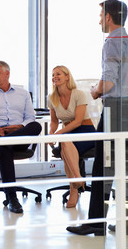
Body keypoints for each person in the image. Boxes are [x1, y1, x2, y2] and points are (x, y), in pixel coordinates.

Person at [67, 0, 128, 236]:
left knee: (104, 164)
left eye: (101, 15)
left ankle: (96, 223)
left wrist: (95, 91)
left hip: (116, 109)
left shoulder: (111, 43)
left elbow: (109, 82)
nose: (99, 19)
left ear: (109, 17)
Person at [0, 60, 42, 214]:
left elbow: (31, 117)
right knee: (4, 149)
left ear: (7, 73)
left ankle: (1, 143)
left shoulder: (23, 94)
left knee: (36, 126)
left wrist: (20, 126)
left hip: (18, 135)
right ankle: (12, 199)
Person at [47, 65, 96, 208]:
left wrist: (58, 134)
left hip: (85, 130)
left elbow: (78, 121)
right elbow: (54, 122)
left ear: (67, 77)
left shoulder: (78, 94)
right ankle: (77, 179)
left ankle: (74, 189)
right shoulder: (52, 98)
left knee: (64, 142)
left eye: (59, 74)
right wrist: (51, 135)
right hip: (67, 133)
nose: (55, 76)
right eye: (53, 74)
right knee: (65, 143)